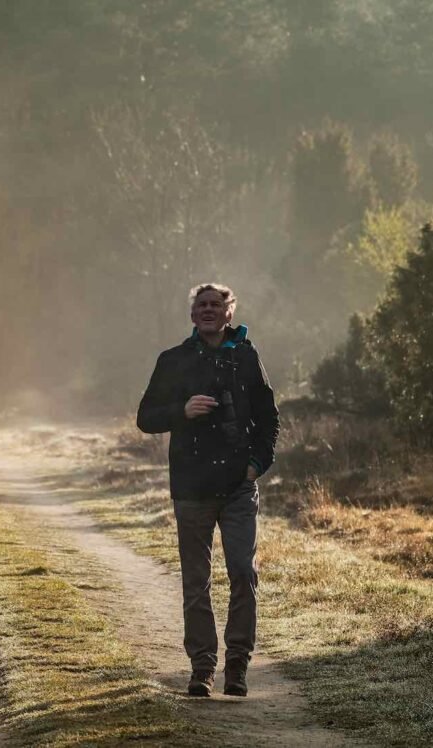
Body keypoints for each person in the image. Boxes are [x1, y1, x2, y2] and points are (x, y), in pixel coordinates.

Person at [136, 282, 279, 697]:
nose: (209, 310)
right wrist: (182, 411)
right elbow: (145, 418)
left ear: (229, 313)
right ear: (192, 314)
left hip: (238, 486)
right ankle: (202, 668)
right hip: (192, 487)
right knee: (196, 582)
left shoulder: (247, 358)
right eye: (202, 305)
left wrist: (256, 467)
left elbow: (270, 419)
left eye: (217, 304)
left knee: (242, 573)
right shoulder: (173, 360)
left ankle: (237, 666)